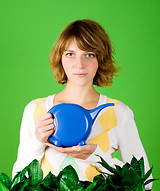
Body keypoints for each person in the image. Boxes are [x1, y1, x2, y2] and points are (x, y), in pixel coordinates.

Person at [12, 19, 151, 182]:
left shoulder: (118, 113)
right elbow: (17, 181)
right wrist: (37, 142)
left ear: (101, 59)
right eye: (70, 54)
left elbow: (144, 183)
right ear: (60, 58)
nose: (79, 64)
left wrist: (95, 156)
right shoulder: (36, 110)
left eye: (89, 54)